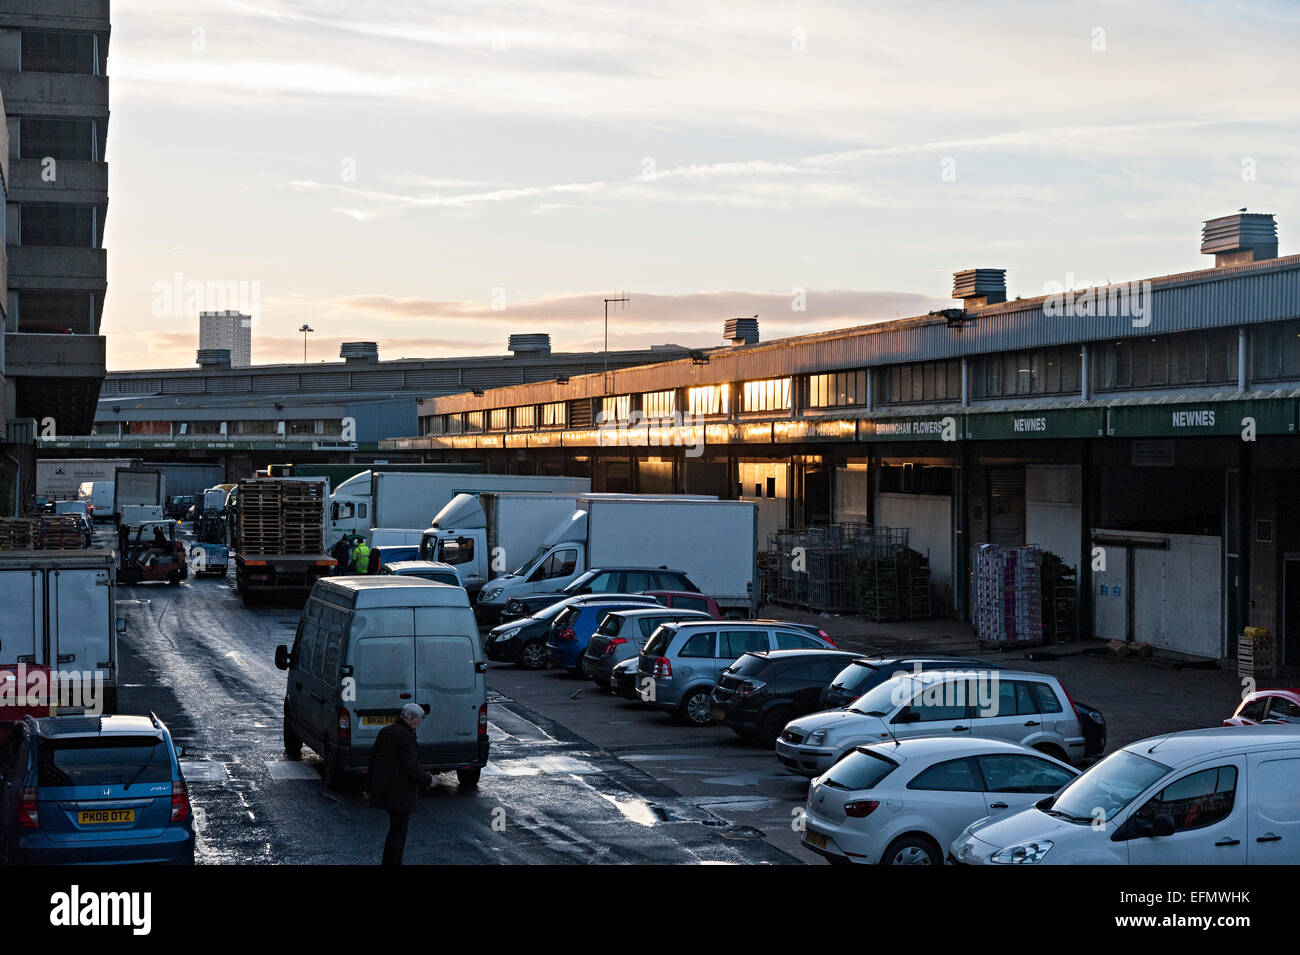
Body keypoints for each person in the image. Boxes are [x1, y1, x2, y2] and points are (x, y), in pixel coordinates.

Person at [365, 703, 432, 865]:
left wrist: (368, 787)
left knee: (395, 830)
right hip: (400, 792)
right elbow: (410, 767)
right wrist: (428, 779)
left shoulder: (385, 731)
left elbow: (373, 761)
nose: (419, 723)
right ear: (411, 718)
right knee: (399, 832)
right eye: (419, 720)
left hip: (385, 789)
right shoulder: (405, 736)